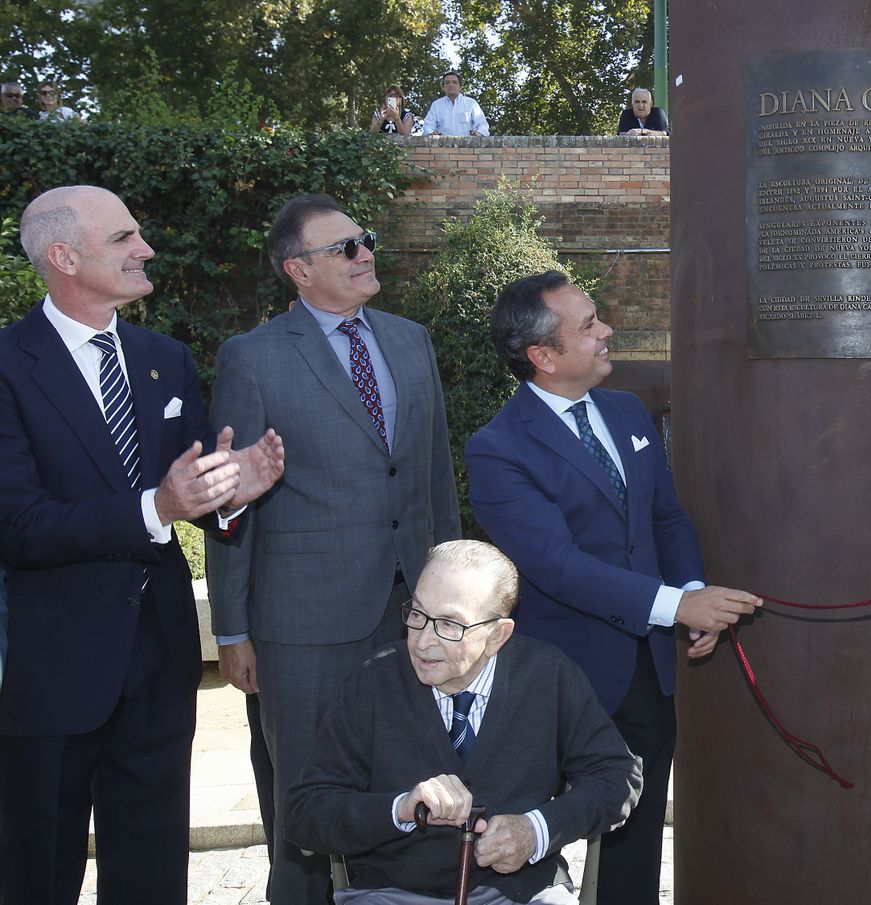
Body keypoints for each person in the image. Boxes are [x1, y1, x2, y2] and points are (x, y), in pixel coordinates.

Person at [0, 185, 284, 903]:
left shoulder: (164, 357)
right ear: (64, 256)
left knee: (153, 874)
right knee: (36, 871)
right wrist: (158, 503)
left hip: (158, 663)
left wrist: (234, 491)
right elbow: (19, 525)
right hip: (48, 673)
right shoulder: (7, 364)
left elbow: (189, 495)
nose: (146, 248)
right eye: (125, 237)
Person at [465, 271, 759, 905]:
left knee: (637, 836)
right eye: (589, 326)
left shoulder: (626, 411)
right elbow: (557, 565)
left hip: (644, 674)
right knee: (520, 845)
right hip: (558, 678)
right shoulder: (497, 450)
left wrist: (692, 590)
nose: (608, 333)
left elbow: (665, 517)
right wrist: (675, 605)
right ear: (543, 357)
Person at [206, 193, 462, 905]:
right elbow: (228, 505)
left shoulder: (410, 340)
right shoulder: (251, 360)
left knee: (408, 784)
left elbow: (434, 477)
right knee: (308, 803)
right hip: (304, 627)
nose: (365, 253)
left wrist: (456, 592)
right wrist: (232, 628)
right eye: (345, 247)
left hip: (413, 613)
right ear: (298, 270)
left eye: (366, 239)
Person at [285, 540, 643, 905]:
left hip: (522, 891)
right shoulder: (373, 683)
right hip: (391, 891)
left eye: (449, 624)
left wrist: (535, 831)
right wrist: (399, 809)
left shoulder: (548, 676)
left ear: (497, 635)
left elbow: (619, 776)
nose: (423, 641)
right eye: (417, 615)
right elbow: (305, 811)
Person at [422, 71, 489, 137]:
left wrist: (478, 133)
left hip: (468, 146)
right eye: (447, 83)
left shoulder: (471, 103)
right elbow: (428, 126)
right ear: (443, 87)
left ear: (460, 87)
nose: (451, 85)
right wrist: (431, 133)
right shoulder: (436, 105)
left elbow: (482, 125)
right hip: (442, 146)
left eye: (454, 82)